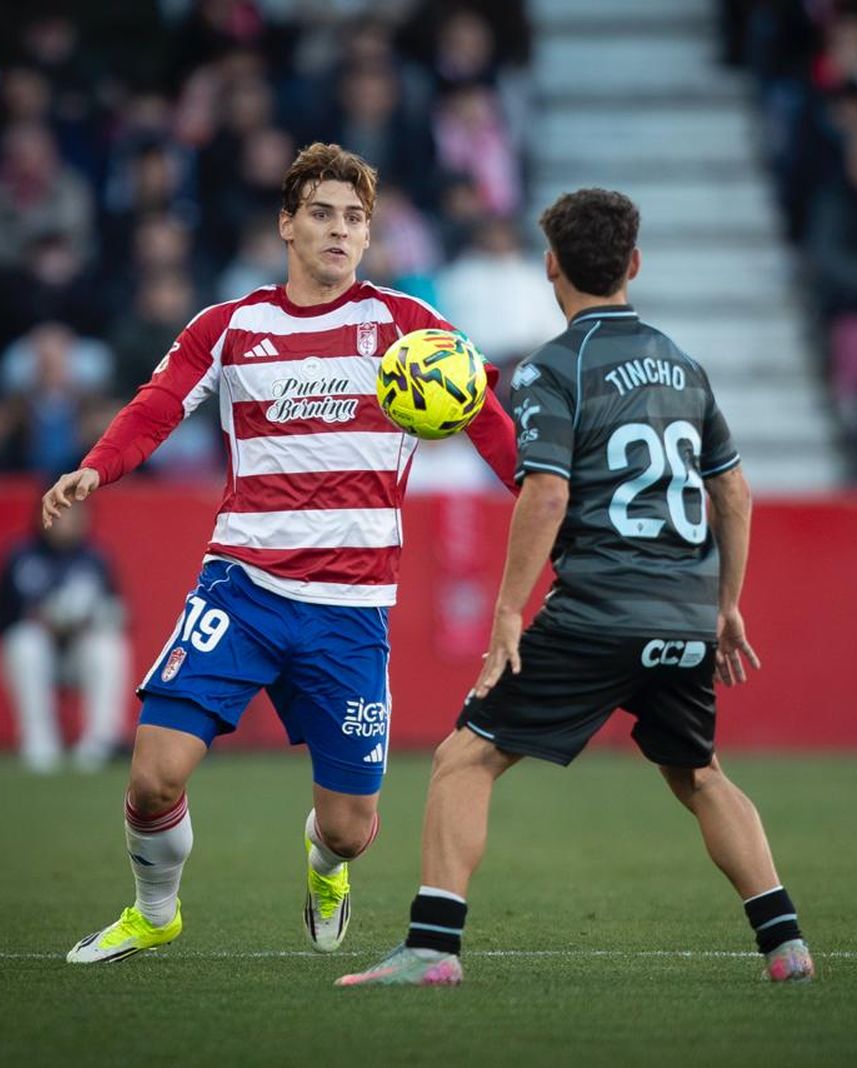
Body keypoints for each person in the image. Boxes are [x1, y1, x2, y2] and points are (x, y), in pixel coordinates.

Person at [43, 143, 519, 964]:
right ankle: (155, 911)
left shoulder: (411, 330)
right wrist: (97, 467)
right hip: (242, 590)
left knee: (349, 827)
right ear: (287, 225)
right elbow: (155, 408)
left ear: (370, 236)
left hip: (352, 612)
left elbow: (489, 425)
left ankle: (326, 869)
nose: (341, 231)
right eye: (325, 214)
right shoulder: (229, 328)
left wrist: (553, 504)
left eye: (356, 219)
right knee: (153, 774)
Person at [337, 188, 813, 987]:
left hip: (599, 609)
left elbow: (547, 492)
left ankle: (432, 948)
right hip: (686, 612)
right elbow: (734, 493)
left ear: (551, 267)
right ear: (633, 264)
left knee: (464, 757)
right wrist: (725, 606)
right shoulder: (684, 366)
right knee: (698, 772)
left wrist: (507, 615)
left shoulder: (555, 368)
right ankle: (786, 944)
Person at [0, 501, 129, 773]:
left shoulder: (95, 558)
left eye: (76, 514)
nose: (68, 521)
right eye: (61, 513)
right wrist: (38, 618)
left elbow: (118, 610)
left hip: (78, 653)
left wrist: (91, 617)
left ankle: (100, 742)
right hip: (33, 655)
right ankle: (39, 742)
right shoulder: (20, 556)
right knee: (26, 643)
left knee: (108, 646)